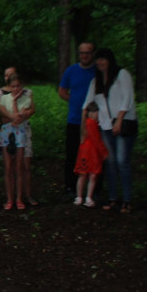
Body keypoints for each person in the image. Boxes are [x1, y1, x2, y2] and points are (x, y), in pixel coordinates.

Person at [82, 48, 138, 212]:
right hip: (105, 126)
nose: (100, 62)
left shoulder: (122, 75)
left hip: (124, 123)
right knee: (110, 162)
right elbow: (87, 103)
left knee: (122, 161)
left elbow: (127, 99)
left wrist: (119, 120)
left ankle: (127, 199)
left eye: (103, 59)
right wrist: (84, 126)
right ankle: (113, 198)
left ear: (110, 60)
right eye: (98, 59)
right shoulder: (96, 81)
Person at [58, 42, 96, 196]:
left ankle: (94, 188)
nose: (85, 55)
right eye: (82, 53)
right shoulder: (71, 71)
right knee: (72, 153)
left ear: (92, 53)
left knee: (94, 153)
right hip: (74, 119)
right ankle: (70, 186)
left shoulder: (97, 71)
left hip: (94, 120)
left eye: (88, 52)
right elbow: (62, 91)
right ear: (78, 54)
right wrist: (74, 101)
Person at [0, 70, 34, 210]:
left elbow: (18, 117)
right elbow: (4, 116)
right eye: (13, 86)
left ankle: (19, 199)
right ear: (9, 87)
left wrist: (15, 102)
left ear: (22, 86)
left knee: (19, 166)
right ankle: (9, 199)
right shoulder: (3, 99)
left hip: (20, 132)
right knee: (8, 167)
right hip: (6, 132)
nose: (16, 89)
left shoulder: (26, 99)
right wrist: (13, 107)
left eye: (18, 86)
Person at [74, 102, 108, 207]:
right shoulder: (91, 123)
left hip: (84, 153)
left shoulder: (86, 124)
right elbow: (96, 139)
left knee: (83, 175)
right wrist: (104, 152)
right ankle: (88, 197)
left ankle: (79, 197)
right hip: (91, 153)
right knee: (92, 175)